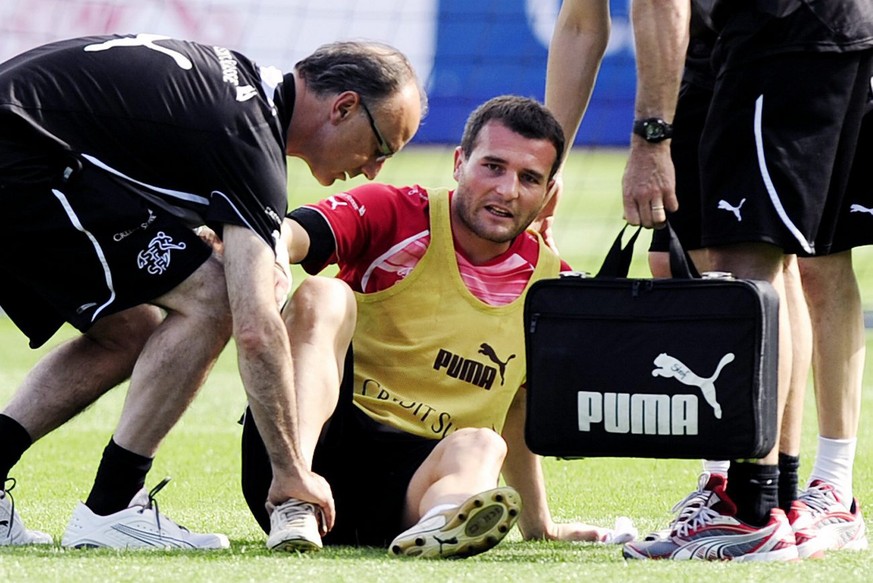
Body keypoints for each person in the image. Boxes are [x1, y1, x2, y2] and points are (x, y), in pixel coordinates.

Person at [0, 34, 425, 549]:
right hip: (22, 164)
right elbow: (254, 327)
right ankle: (112, 508)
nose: (373, 168)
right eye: (380, 146)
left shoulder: (235, 92)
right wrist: (291, 470)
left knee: (130, 327)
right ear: (344, 107)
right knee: (215, 299)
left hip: (26, 155)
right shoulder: (248, 136)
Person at [239, 96, 638, 557]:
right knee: (323, 294)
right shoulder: (397, 214)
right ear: (459, 163)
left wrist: (540, 525)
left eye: (529, 178)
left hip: (407, 488)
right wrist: (263, 252)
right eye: (493, 166)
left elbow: (517, 407)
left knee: (483, 444)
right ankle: (295, 498)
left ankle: (442, 524)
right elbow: (296, 232)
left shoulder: (551, 289)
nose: (507, 190)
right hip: (305, 452)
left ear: (548, 194)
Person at [617, 1, 873, 561]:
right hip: (808, 31)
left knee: (750, 261)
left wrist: (651, 138)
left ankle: (750, 511)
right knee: (778, 261)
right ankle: (775, 497)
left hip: (784, 31)